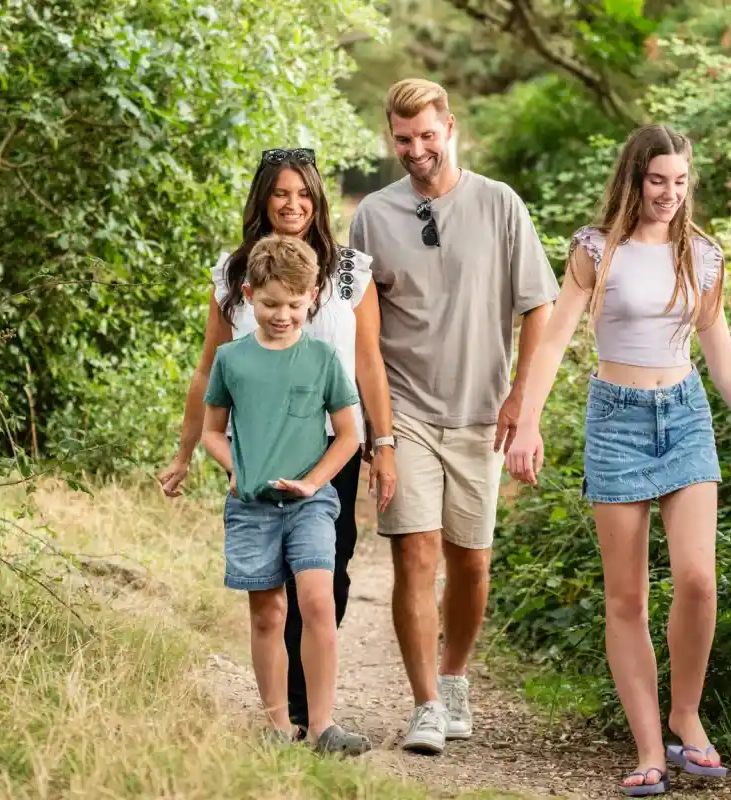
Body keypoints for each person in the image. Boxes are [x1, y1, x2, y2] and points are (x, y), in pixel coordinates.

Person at [505, 124, 731, 796]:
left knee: (699, 580)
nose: (669, 194)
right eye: (656, 180)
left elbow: (724, 364)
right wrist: (527, 424)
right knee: (628, 597)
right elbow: (553, 343)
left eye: (679, 181)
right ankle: (647, 748)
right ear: (633, 178)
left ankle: (686, 716)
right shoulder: (596, 249)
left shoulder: (702, 255)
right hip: (616, 421)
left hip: (686, 417)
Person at [348, 78, 560, 755]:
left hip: (480, 416)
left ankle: (456, 675)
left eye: (426, 136)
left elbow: (539, 308)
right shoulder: (373, 217)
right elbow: (364, 336)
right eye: (402, 139)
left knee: (472, 564)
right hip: (406, 410)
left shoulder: (500, 205)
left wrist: (522, 401)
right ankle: (426, 706)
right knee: (416, 553)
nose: (415, 150)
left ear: (450, 129)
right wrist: (377, 433)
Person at [157, 147, 396, 738]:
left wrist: (383, 443)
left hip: (329, 447)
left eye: (304, 194)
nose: (293, 204)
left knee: (325, 576)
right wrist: (188, 453)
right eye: (280, 193)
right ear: (263, 198)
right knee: (269, 589)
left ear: (317, 200)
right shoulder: (233, 272)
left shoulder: (349, 272)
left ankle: (309, 708)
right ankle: (286, 713)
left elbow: (368, 362)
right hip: (258, 449)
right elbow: (207, 369)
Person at [200, 234, 370, 754]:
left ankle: (322, 726)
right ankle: (277, 726)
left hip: (311, 503)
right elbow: (212, 432)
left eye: (295, 305)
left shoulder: (322, 359)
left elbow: (349, 434)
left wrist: (315, 482)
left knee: (318, 600)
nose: (282, 315)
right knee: (268, 612)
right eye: (271, 304)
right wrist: (237, 466)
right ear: (248, 295)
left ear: (314, 296)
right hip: (252, 506)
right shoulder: (232, 360)